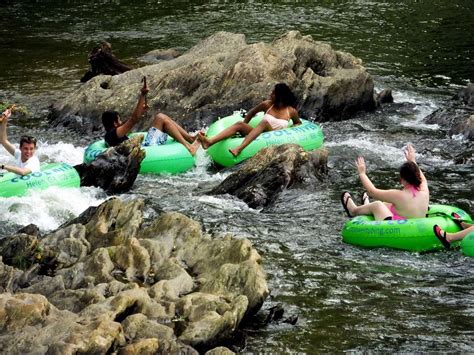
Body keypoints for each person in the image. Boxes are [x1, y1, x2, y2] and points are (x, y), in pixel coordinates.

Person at [198, 83, 301, 157]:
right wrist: (244, 126)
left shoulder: (291, 111)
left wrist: (290, 130)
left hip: (274, 135)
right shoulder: (267, 105)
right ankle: (209, 142)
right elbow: (251, 113)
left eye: (273, 93)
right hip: (258, 133)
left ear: (280, 97)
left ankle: (239, 148)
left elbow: (298, 123)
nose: (270, 95)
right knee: (239, 124)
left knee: (264, 122)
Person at [102, 79, 200, 155]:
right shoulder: (114, 134)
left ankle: (189, 138)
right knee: (161, 118)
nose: (121, 121)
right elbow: (133, 119)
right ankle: (188, 147)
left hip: (144, 146)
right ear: (114, 123)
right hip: (149, 149)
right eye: (119, 119)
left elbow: (131, 121)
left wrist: (141, 110)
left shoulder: (110, 135)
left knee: (161, 117)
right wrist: (143, 95)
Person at [341, 144, 429, 220]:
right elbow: (422, 179)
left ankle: (353, 211)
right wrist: (412, 161)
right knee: (388, 203)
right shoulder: (424, 189)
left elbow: (372, 192)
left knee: (377, 205)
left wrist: (362, 173)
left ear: (402, 180)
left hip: (397, 229)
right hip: (417, 223)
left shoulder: (399, 195)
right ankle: (366, 207)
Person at [0, 106, 40, 176]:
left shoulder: (34, 161)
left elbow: (23, 172)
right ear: (20, 148)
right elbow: (3, 141)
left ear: (35, 149)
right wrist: (5, 121)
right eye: (25, 148)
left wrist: (3, 166)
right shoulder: (19, 154)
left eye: (31, 149)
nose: (28, 152)